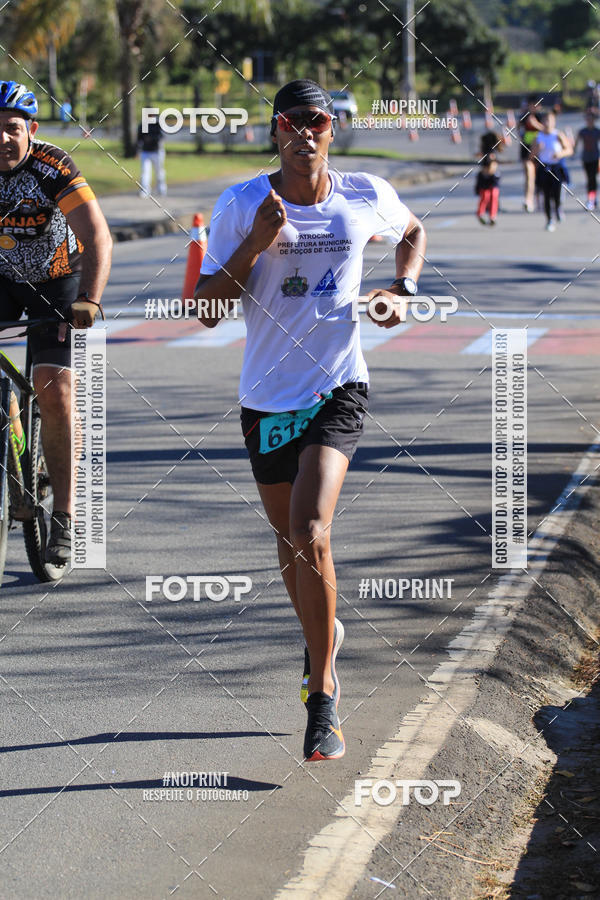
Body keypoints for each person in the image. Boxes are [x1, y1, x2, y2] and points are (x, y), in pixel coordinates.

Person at [194, 80, 426, 761]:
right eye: (292, 122)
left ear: (332, 129)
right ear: (275, 130)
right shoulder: (242, 204)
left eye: (317, 122)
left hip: (337, 387)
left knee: (310, 528)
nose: (305, 133)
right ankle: (322, 634)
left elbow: (413, 231)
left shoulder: (362, 193)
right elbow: (205, 308)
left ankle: (322, 696)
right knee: (290, 543)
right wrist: (255, 244)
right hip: (267, 397)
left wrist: (403, 290)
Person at [0, 80, 112, 563]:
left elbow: (97, 235)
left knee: (54, 386)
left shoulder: (53, 166)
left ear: (31, 130)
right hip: (3, 279)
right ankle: (11, 428)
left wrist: (89, 299)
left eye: (12, 128)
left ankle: (65, 513)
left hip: (58, 280)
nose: (3, 139)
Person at [530, 110, 573, 231]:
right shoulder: (538, 137)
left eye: (549, 120)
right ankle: (549, 219)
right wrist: (537, 150)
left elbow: (569, 150)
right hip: (544, 168)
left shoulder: (558, 135)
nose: (547, 123)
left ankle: (558, 208)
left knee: (557, 193)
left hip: (557, 167)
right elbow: (531, 156)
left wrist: (560, 153)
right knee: (546, 195)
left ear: (554, 122)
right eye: (545, 120)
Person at [518, 96, 544, 212]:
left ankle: (539, 199)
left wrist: (535, 124)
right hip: (526, 149)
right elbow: (519, 129)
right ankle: (528, 200)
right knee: (529, 175)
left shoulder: (541, 117)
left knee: (539, 177)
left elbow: (547, 130)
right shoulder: (524, 117)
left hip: (539, 150)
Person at [475, 130, 503, 225]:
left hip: (491, 176)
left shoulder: (492, 151)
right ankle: (483, 213)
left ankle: (491, 215)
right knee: (487, 196)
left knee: (492, 195)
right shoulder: (486, 152)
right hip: (487, 176)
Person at [574, 112, 600, 209]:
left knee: (592, 179)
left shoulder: (597, 131)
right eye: (588, 119)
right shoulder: (582, 131)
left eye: (591, 119)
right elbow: (575, 144)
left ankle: (591, 199)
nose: (589, 121)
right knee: (589, 179)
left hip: (595, 158)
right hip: (586, 158)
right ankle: (592, 199)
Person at [136, 118, 166, 198]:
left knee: (159, 172)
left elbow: (162, 137)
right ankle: (145, 190)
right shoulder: (142, 125)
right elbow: (139, 139)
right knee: (145, 172)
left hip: (157, 152)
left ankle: (161, 189)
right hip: (145, 152)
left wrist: (152, 138)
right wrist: (137, 151)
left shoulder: (158, 124)